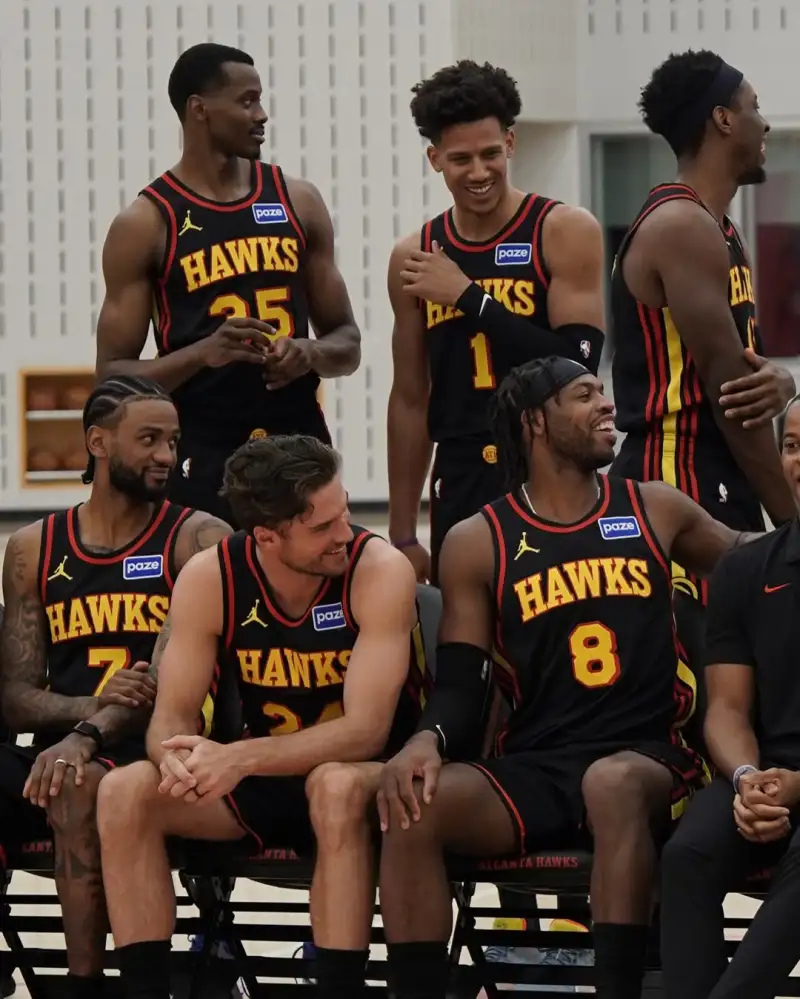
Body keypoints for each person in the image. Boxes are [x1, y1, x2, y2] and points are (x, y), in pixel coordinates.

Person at [374, 356, 762, 999]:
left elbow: (752, 559)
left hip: (650, 756)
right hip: (541, 762)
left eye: (603, 392)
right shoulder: (479, 539)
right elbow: (463, 682)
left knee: (610, 783)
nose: (606, 405)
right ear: (535, 421)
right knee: (415, 806)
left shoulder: (653, 506)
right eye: (584, 395)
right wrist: (425, 740)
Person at [95, 434, 428, 999]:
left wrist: (238, 758)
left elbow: (367, 731)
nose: (345, 534)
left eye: (344, 512)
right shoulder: (210, 576)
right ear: (267, 536)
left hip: (371, 779)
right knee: (123, 791)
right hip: (262, 775)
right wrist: (175, 759)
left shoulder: (378, 569)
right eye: (322, 527)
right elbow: (171, 716)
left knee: (334, 785)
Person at [0, 375, 231, 999]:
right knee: (62, 774)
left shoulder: (198, 538)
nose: (167, 455)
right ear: (97, 443)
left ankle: (86, 986)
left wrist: (90, 730)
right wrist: (89, 707)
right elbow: (15, 697)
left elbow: (166, 683)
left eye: (173, 441)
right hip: (60, 746)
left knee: (78, 783)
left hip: (161, 752)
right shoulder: (32, 548)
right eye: (149, 439)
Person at [94, 42, 360, 527]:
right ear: (199, 109)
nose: (261, 115)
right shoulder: (147, 222)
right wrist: (203, 353)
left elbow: (348, 344)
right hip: (202, 447)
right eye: (247, 101)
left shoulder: (298, 200)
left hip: (298, 438)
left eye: (260, 99)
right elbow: (112, 378)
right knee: (213, 572)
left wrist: (309, 352)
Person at [610, 48, 795, 676]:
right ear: (722, 119)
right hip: (679, 471)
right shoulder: (681, 225)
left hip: (718, 470)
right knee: (706, 685)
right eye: (754, 108)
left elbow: (749, 376)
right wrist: (792, 525)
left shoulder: (718, 227)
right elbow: (732, 399)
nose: (764, 123)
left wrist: (782, 380)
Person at [387, 60, 605, 585]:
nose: (479, 172)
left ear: (510, 143)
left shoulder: (561, 229)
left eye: (489, 154)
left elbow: (578, 366)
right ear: (435, 159)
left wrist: (468, 298)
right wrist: (402, 532)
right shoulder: (415, 255)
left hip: (547, 463)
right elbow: (411, 399)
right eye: (460, 159)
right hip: (460, 468)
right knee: (465, 624)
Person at [659, 392, 800, 999]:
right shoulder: (747, 569)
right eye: (791, 446)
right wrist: (746, 778)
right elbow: (726, 709)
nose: (799, 461)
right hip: (765, 771)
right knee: (687, 855)